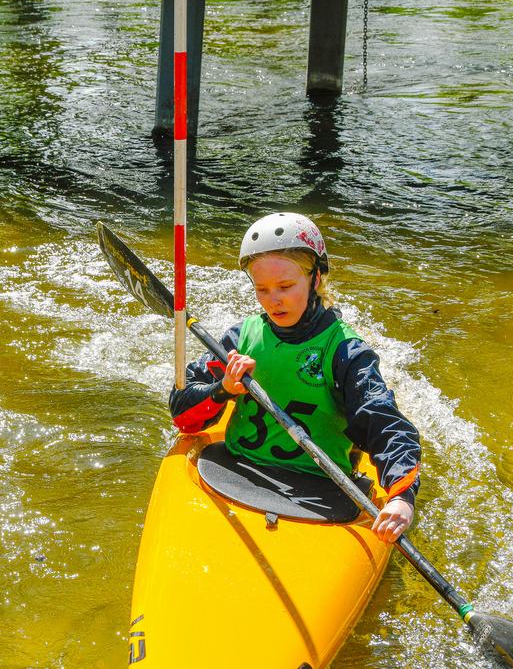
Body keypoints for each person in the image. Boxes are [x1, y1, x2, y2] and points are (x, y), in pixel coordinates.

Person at [168, 212, 420, 543]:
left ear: (316, 279)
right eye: (262, 289)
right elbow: (182, 415)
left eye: (286, 286)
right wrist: (222, 389)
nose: (274, 300)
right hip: (237, 468)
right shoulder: (241, 338)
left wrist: (402, 496)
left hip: (321, 486)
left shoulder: (344, 350)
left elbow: (383, 422)